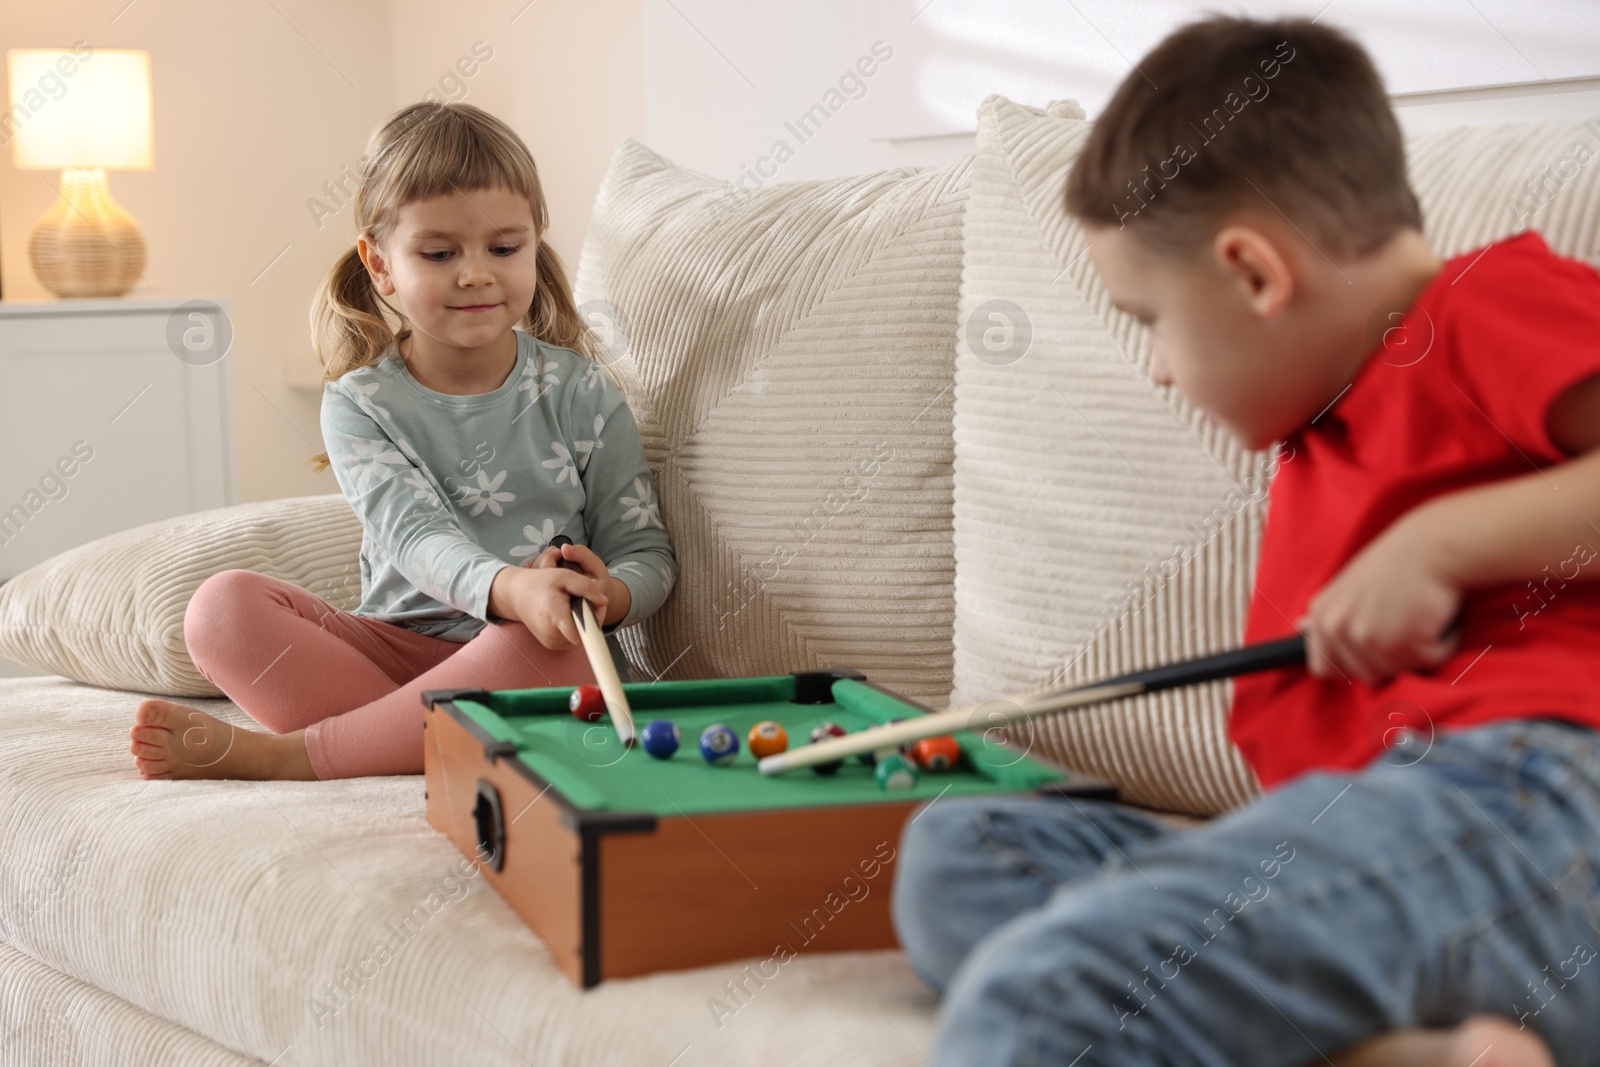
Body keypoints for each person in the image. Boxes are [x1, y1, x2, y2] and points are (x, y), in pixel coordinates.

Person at [893, 16, 1600, 1067]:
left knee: (1046, 997)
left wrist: (1443, 545)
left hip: (1536, 800)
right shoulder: (1319, 436)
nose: (1158, 372)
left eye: (1148, 320)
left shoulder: (1477, 306)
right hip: (1378, 838)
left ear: (1254, 275)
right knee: (961, 853)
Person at [130, 101, 676, 781]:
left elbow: (646, 553)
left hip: (521, 651)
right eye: (439, 253)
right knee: (220, 609)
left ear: (535, 241)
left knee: (563, 655)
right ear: (380, 264)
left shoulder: (581, 392)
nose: (475, 273)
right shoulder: (361, 402)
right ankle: (412, 733)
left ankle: (300, 755)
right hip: (391, 647)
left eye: (503, 248)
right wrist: (509, 586)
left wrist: (607, 596)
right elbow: (418, 539)